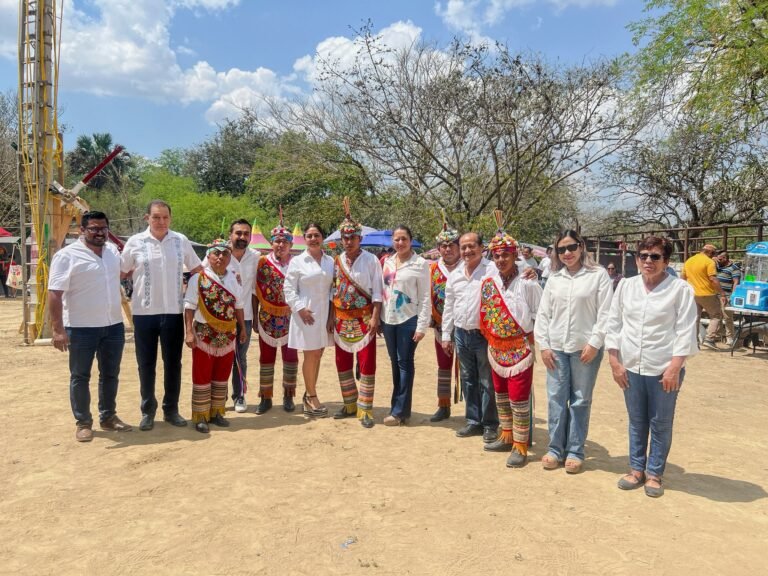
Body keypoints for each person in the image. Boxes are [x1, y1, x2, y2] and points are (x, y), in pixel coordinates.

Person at [606, 236, 698, 498]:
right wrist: (614, 360)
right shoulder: (626, 286)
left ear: (666, 261)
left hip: (663, 368)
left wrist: (675, 367)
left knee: (660, 421)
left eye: (655, 256)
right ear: (636, 259)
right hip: (631, 365)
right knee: (636, 420)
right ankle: (636, 469)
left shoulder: (679, 290)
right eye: (643, 256)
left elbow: (685, 330)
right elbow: (614, 323)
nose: (648, 261)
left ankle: (655, 472)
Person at [48, 211, 132, 442]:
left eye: (103, 228)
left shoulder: (113, 253)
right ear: (81, 230)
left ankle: (108, 417)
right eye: (94, 228)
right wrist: (57, 330)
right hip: (81, 327)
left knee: (110, 374)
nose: (99, 232)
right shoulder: (67, 256)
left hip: (113, 326)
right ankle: (83, 422)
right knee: (80, 376)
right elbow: (54, 294)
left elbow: (126, 272)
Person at [534, 229, 613, 474]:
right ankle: (556, 448)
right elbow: (543, 314)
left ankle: (576, 450)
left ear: (581, 247)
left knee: (580, 399)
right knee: (556, 398)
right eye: (561, 249)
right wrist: (544, 346)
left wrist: (594, 343)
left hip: (584, 349)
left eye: (571, 247)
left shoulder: (597, 275)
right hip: (556, 348)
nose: (567, 253)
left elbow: (606, 313)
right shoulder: (555, 278)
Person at [121, 200, 202, 431]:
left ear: (170, 218)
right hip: (144, 313)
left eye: (165, 217)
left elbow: (197, 269)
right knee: (145, 364)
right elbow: (121, 271)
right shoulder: (135, 242)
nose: (161, 222)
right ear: (147, 218)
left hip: (173, 312)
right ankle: (148, 411)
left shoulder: (180, 240)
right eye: (156, 217)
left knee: (173, 364)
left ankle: (171, 409)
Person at [478, 212, 542, 468]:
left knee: (518, 396)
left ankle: (521, 445)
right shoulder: (488, 282)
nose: (501, 259)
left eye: (506, 254)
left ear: (515, 255)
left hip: (520, 349)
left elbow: (539, 316)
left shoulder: (528, 283)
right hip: (496, 347)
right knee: (501, 394)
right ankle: (506, 435)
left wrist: (536, 344)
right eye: (497, 255)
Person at [329, 197, 383, 429]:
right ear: (341, 239)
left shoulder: (371, 260)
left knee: (367, 362)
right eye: (345, 237)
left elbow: (378, 292)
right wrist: (332, 316)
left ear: (360, 239)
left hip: (364, 318)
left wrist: (374, 317)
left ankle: (365, 408)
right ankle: (349, 403)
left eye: (353, 237)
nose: (349, 241)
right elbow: (333, 290)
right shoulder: (336, 261)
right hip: (341, 319)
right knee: (341, 361)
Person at [442, 232, 499, 443]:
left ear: (482, 247)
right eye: (463, 247)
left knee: (487, 381)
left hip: (483, 335)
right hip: (461, 334)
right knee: (468, 379)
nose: (467, 251)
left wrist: (528, 271)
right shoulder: (455, 274)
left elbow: (516, 274)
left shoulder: (493, 270)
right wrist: (446, 335)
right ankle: (473, 421)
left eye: (471, 246)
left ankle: (490, 424)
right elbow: (449, 307)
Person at [184, 240, 246, 433]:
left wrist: (243, 328)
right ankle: (201, 415)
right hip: (205, 334)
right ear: (208, 256)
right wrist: (188, 332)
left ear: (229, 258)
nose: (220, 257)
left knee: (222, 374)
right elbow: (189, 306)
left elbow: (239, 306)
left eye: (225, 254)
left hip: (228, 334)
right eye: (216, 253)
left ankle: (217, 412)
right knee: (202, 373)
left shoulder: (233, 279)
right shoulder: (199, 278)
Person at [202, 219, 258, 413]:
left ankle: (239, 395)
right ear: (230, 235)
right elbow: (203, 279)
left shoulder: (256, 257)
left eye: (246, 234)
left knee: (239, 357)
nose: (242, 237)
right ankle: (219, 396)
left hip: (246, 317)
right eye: (238, 233)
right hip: (218, 317)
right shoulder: (218, 254)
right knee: (219, 355)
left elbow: (255, 290)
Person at [380, 225, 431, 426]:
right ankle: (399, 407)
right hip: (388, 319)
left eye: (404, 239)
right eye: (397, 239)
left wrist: (422, 326)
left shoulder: (420, 264)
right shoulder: (387, 262)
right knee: (395, 362)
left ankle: (399, 410)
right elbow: (383, 290)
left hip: (408, 319)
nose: (400, 243)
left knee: (405, 363)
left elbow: (425, 296)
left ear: (410, 240)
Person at [283, 223, 335, 417]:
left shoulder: (330, 261)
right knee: (311, 354)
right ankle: (311, 397)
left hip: (324, 315)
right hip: (306, 315)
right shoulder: (298, 261)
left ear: (323, 238)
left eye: (317, 235)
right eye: (309, 236)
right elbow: (288, 289)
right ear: (304, 239)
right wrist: (300, 309)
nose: (313, 239)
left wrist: (331, 316)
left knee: (318, 354)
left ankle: (309, 393)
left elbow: (332, 289)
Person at [253, 212, 299, 414]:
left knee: (291, 357)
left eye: (284, 242)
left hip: (291, 317)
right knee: (266, 357)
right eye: (277, 241)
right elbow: (256, 292)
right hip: (267, 317)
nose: (280, 245)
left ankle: (289, 395)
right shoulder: (262, 263)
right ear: (272, 243)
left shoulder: (297, 264)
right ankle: (266, 396)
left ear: (291, 244)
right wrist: (255, 317)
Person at [428, 218, 462, 422]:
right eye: (443, 246)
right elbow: (427, 295)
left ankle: (476, 411)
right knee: (443, 365)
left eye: (451, 245)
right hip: (441, 326)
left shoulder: (469, 266)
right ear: (438, 248)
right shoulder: (432, 269)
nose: (447, 249)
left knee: (470, 367)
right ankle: (443, 404)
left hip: (468, 327)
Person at [681, 244, 726, 350]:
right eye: (714, 253)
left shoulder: (689, 261)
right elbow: (713, 279)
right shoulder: (709, 262)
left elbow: (682, 277)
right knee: (716, 315)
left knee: (695, 318)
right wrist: (722, 293)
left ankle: (694, 341)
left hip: (692, 294)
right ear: (710, 253)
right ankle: (709, 339)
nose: (714, 256)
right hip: (707, 294)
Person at [715, 250, 741, 347]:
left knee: (727, 317)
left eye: (720, 259)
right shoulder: (717, 266)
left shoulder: (734, 268)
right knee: (716, 316)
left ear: (725, 258)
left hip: (726, 296)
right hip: (716, 295)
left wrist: (732, 296)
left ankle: (730, 338)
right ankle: (717, 336)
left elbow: (736, 282)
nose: (718, 260)